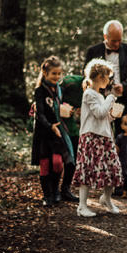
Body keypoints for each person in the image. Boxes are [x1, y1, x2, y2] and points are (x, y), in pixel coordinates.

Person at [71, 59, 124, 216]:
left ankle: (106, 199)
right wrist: (111, 98)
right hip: (91, 137)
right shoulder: (89, 94)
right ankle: (82, 206)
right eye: (108, 77)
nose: (109, 81)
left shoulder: (100, 96)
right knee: (88, 170)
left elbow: (103, 117)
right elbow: (99, 113)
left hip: (105, 137)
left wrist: (113, 115)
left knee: (112, 168)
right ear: (101, 76)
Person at [30, 56, 76, 207]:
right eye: (53, 73)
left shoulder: (59, 89)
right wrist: (50, 126)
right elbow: (40, 113)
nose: (57, 77)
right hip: (45, 132)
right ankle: (47, 195)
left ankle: (56, 190)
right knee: (45, 164)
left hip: (58, 132)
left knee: (57, 163)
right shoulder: (40, 90)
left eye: (59, 73)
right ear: (45, 72)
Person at [84, 20, 127, 133]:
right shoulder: (93, 51)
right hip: (99, 101)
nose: (117, 44)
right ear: (105, 36)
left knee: (124, 136)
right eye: (113, 41)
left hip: (123, 100)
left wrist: (125, 86)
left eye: (119, 40)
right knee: (101, 133)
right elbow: (87, 76)